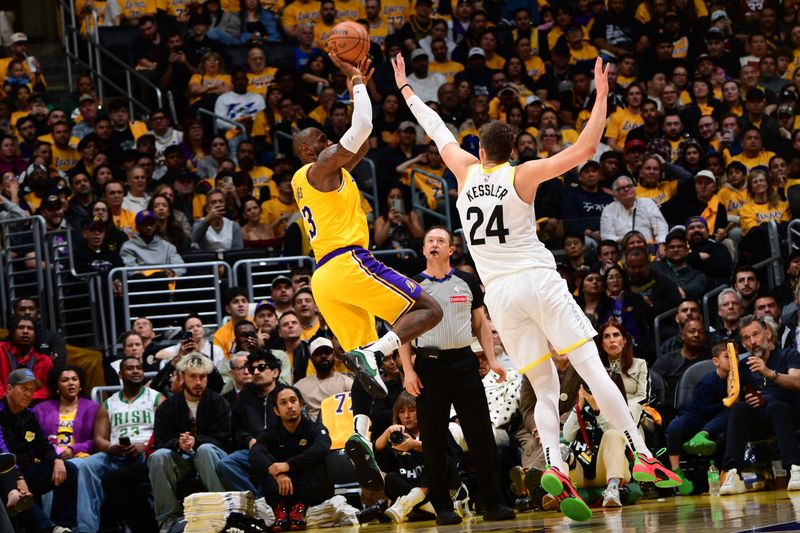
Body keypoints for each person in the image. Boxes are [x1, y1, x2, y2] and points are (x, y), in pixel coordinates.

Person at [392, 55, 680, 522]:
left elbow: (436, 126)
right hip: (536, 280)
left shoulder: (464, 171)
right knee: (591, 368)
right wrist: (602, 93)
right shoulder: (522, 174)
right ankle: (642, 451)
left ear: (480, 150)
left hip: (499, 295)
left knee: (543, 386)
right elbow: (586, 148)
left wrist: (406, 89)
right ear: (511, 151)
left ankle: (556, 463)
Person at [291, 53, 443, 493]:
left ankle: (357, 431)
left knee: (364, 372)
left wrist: (366, 90)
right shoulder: (317, 167)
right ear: (307, 149)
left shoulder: (318, 178)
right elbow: (358, 131)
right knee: (428, 308)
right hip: (347, 261)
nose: (329, 139)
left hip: (323, 278)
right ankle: (379, 352)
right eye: (322, 137)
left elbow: (364, 142)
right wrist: (356, 82)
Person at [398, 226, 515, 524]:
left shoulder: (466, 281)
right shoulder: (413, 285)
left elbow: (481, 324)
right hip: (428, 366)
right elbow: (403, 333)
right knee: (435, 440)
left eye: (441, 241)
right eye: (430, 241)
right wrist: (408, 370)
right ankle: (443, 507)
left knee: (481, 436)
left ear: (451, 249)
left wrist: (492, 359)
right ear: (424, 250)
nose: (435, 244)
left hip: (464, 363)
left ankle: (493, 503)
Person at [73, 356, 164, 533]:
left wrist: (144, 445)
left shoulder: (157, 399)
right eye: (130, 368)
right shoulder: (109, 403)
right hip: (116, 454)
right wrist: (111, 447)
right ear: (120, 374)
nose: (136, 371)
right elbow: (99, 439)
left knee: (155, 458)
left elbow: (164, 433)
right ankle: (86, 529)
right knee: (88, 465)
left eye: (139, 367)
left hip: (146, 453)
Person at [148, 354, 230, 531]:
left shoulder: (218, 402)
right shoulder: (168, 406)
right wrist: (179, 443)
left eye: (203, 377)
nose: (199, 382)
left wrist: (197, 441)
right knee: (158, 457)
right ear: (182, 376)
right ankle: (168, 517)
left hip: (212, 457)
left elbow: (225, 438)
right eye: (193, 376)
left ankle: (224, 510)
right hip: (181, 459)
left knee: (206, 449)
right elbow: (161, 441)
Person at [720, 316, 800, 494]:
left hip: (789, 414)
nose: (752, 342)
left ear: (768, 333)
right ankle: (732, 472)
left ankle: (795, 468)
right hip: (760, 420)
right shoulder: (743, 365)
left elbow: (797, 381)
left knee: (775, 407)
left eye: (756, 334)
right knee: (739, 409)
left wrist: (769, 373)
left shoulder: (789, 355)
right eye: (747, 338)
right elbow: (736, 396)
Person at [0, 369, 77, 532]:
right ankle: (50, 528)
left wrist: (57, 460)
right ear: (9, 389)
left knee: (69, 469)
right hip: (6, 474)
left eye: (32, 390)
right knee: (14, 485)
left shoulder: (29, 415)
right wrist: (18, 476)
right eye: (24, 388)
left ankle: (65, 526)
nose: (29, 394)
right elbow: (2, 451)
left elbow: (42, 446)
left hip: (28, 470)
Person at [249, 386, 333, 532]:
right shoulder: (271, 433)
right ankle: (279, 510)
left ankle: (299, 508)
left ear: (301, 405)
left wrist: (288, 465)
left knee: (317, 457)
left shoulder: (314, 428)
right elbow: (254, 453)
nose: (289, 406)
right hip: (283, 489)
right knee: (265, 462)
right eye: (283, 403)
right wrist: (278, 473)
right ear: (276, 410)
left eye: (293, 401)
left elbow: (323, 447)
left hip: (312, 490)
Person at [665, 343, 731, 495]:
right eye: (727, 357)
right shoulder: (708, 382)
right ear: (716, 361)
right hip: (697, 416)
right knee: (675, 427)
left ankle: (723, 477)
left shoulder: (738, 379)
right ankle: (677, 474)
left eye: (734, 357)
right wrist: (724, 402)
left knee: (732, 413)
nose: (732, 361)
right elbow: (702, 409)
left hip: (717, 420)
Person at [217, 349, 285, 497]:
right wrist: (248, 439)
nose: (255, 372)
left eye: (261, 368)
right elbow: (236, 429)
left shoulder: (287, 394)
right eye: (252, 369)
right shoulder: (244, 396)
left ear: (275, 372)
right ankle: (256, 501)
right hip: (253, 450)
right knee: (226, 464)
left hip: (281, 450)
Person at [295, 338, 353, 422]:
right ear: (311, 358)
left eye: (327, 352)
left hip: (340, 427)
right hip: (313, 431)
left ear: (333, 355)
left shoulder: (347, 382)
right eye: (318, 353)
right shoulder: (300, 386)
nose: (323, 356)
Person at [0, 316, 53, 400]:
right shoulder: (1, 351)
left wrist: (24, 398)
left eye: (30, 328)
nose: (25, 331)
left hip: (32, 405)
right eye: (20, 328)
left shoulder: (44, 361)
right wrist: (11, 399)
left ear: (35, 334)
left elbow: (47, 390)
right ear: (12, 332)